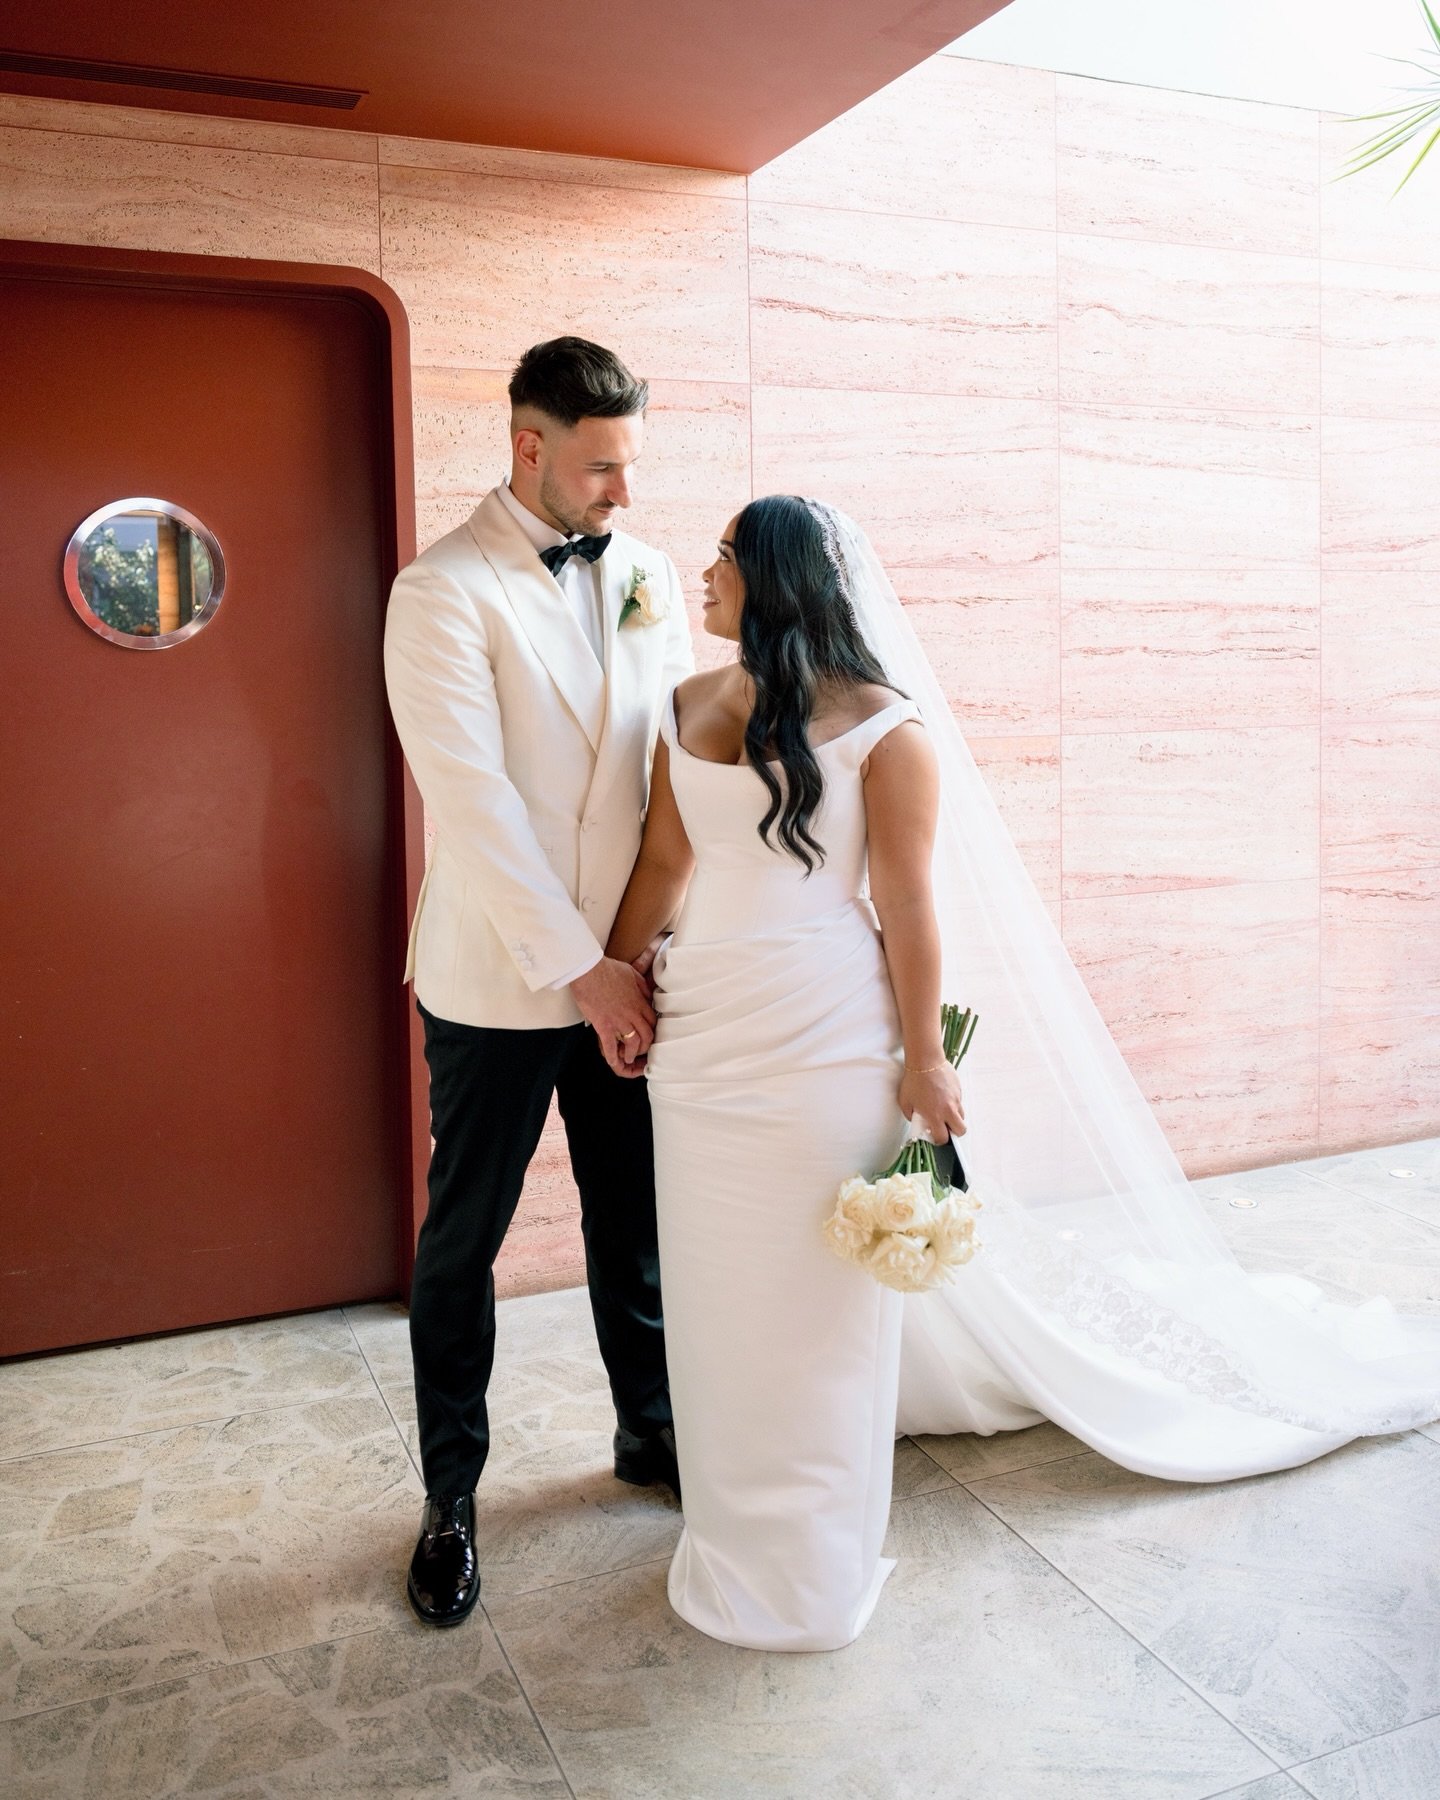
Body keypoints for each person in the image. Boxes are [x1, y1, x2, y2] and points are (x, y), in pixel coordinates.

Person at [603, 494, 1440, 1653]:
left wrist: (923, 1062)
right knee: (714, 1296)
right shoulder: (685, 705)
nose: (704, 574)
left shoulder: (888, 733)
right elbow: (664, 859)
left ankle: (812, 1568)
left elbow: (907, 905)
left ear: (779, 582)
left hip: (823, 1038)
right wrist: (618, 980)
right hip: (704, 1041)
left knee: (818, 1303)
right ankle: (731, 1537)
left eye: (727, 558)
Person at [383, 336, 693, 1627]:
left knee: (636, 1224)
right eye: (603, 466)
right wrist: (581, 971)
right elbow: (476, 810)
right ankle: (450, 1499)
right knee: (466, 1240)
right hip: (501, 982)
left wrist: (647, 949)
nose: (625, 490)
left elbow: (673, 773)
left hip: (631, 963)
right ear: (529, 449)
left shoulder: (649, 573)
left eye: (631, 463)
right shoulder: (440, 591)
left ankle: (651, 1433)